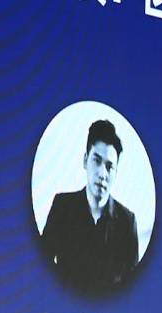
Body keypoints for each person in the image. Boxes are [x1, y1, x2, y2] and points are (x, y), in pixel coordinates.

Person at [43, 118, 141, 291]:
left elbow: (132, 290)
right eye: (96, 161)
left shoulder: (127, 223)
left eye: (109, 167)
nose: (102, 174)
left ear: (116, 173)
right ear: (85, 160)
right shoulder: (62, 207)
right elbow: (41, 269)